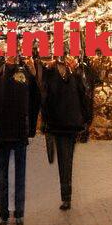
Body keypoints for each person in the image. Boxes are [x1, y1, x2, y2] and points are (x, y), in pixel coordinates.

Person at [0, 53, 40, 225]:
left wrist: (31, 127)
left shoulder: (26, 73)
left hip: (20, 130)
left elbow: (36, 99)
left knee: (20, 174)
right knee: (2, 175)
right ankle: (3, 213)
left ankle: (19, 212)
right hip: (2, 132)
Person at [40, 55, 94, 211]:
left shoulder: (78, 72)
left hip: (70, 123)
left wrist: (77, 70)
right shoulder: (50, 72)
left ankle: (66, 197)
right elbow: (45, 96)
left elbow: (86, 94)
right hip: (58, 123)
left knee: (66, 160)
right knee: (64, 160)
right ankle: (66, 196)